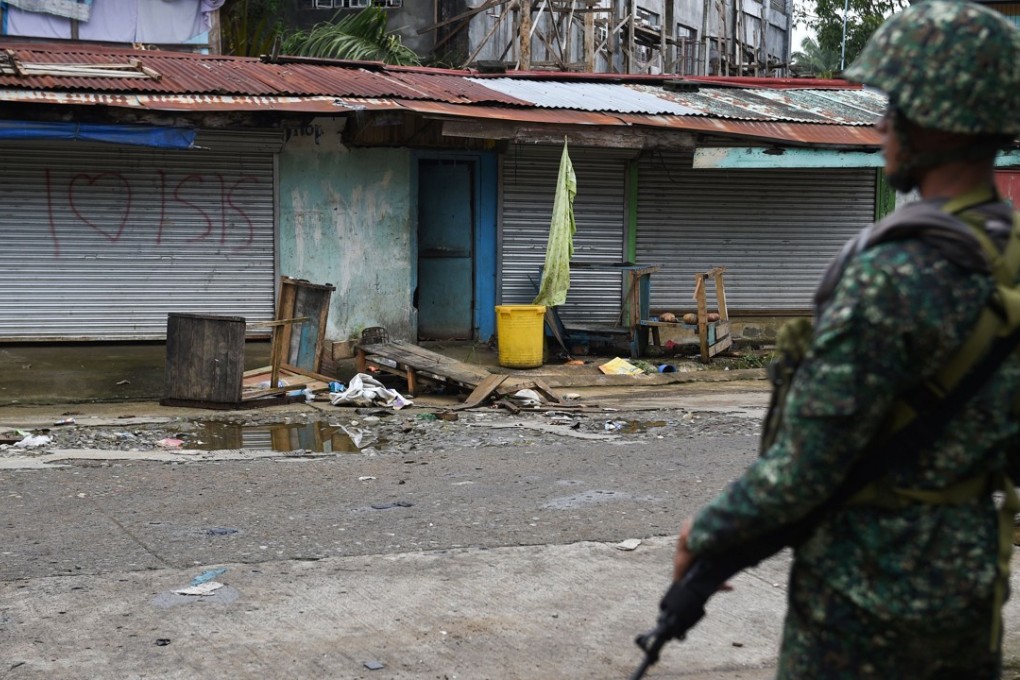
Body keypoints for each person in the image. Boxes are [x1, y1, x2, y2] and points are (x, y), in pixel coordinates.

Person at [671, 2, 1020, 677]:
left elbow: (806, 465)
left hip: (863, 608)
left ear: (933, 121)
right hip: (970, 596)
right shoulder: (1010, 261)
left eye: (894, 109)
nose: (883, 127)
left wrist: (705, 535)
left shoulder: (893, 275)